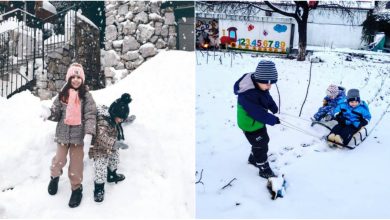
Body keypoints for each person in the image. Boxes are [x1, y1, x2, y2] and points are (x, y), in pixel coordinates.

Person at [44, 63, 97, 208]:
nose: (75, 80)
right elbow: (56, 113)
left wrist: (89, 134)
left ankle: (76, 189)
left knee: (76, 167)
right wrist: (49, 113)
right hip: (62, 134)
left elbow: (91, 115)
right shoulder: (63, 94)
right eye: (73, 77)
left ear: (82, 79)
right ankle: (54, 177)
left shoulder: (86, 96)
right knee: (58, 161)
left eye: (78, 77)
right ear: (68, 78)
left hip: (78, 138)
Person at [233, 60, 280, 179]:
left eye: (271, 84)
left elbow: (266, 97)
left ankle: (253, 158)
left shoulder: (260, 86)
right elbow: (257, 113)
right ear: (259, 80)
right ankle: (263, 167)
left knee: (262, 141)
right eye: (267, 84)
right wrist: (272, 119)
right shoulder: (248, 94)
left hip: (257, 123)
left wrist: (272, 106)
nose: (269, 87)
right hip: (250, 124)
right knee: (261, 144)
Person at [88, 93, 132, 202]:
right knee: (100, 166)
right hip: (98, 147)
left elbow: (118, 120)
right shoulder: (103, 122)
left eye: (123, 119)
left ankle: (112, 175)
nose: (120, 121)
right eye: (120, 118)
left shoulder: (114, 116)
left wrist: (127, 119)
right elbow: (101, 137)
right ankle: (99, 188)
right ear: (114, 114)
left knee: (115, 158)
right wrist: (115, 144)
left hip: (111, 144)